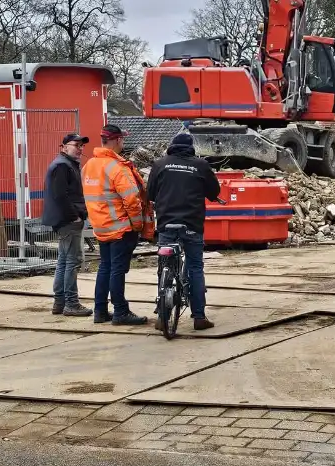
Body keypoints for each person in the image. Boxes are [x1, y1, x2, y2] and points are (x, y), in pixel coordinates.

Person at [147, 132, 222, 331]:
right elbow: (214, 192)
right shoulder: (201, 165)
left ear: (172, 146)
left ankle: (162, 314)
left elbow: (150, 193)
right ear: (191, 147)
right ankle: (199, 317)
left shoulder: (160, 164)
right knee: (195, 268)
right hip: (192, 225)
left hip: (166, 224)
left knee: (164, 264)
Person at [83, 124, 155, 326]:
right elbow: (132, 200)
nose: (123, 142)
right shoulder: (116, 167)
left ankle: (100, 311)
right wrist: (138, 225)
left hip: (101, 226)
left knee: (105, 267)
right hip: (120, 227)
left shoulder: (90, 165)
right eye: (122, 139)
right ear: (116, 140)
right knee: (117, 270)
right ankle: (121, 311)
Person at [42, 132, 92, 317]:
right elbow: (60, 195)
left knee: (64, 261)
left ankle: (60, 302)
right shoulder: (62, 166)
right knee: (72, 261)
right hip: (67, 220)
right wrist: (74, 216)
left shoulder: (65, 164)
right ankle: (71, 303)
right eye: (76, 145)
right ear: (63, 147)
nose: (80, 149)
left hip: (64, 219)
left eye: (81, 146)